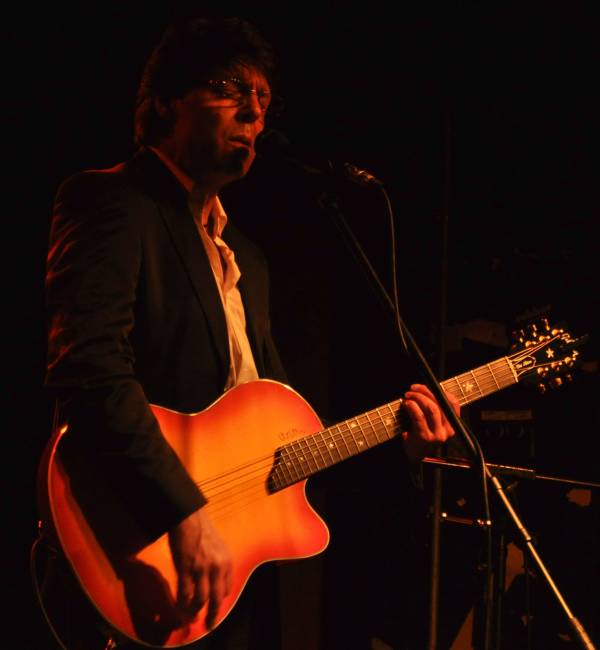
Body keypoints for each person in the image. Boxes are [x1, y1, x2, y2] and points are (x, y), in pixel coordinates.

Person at [39, 14, 460, 650]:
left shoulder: (248, 260)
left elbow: (288, 445)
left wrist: (400, 440)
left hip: (221, 582)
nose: (254, 114)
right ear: (166, 101)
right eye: (231, 88)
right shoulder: (114, 202)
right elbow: (89, 368)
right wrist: (180, 511)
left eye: (263, 100)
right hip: (136, 543)